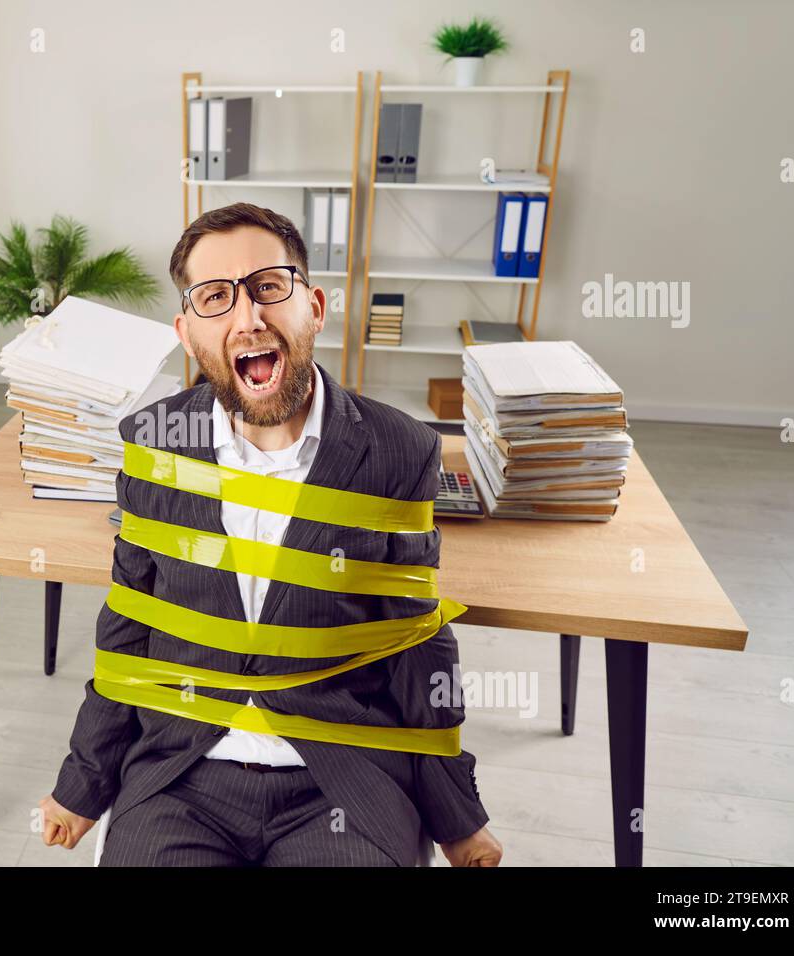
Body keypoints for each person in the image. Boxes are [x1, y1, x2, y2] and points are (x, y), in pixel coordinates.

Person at [38, 202, 502, 866]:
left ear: (313, 305)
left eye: (268, 287)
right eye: (216, 298)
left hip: (341, 779)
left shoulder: (399, 450)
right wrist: (82, 785)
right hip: (181, 774)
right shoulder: (155, 445)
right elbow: (127, 632)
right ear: (187, 331)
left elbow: (417, 644)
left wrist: (457, 817)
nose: (248, 316)